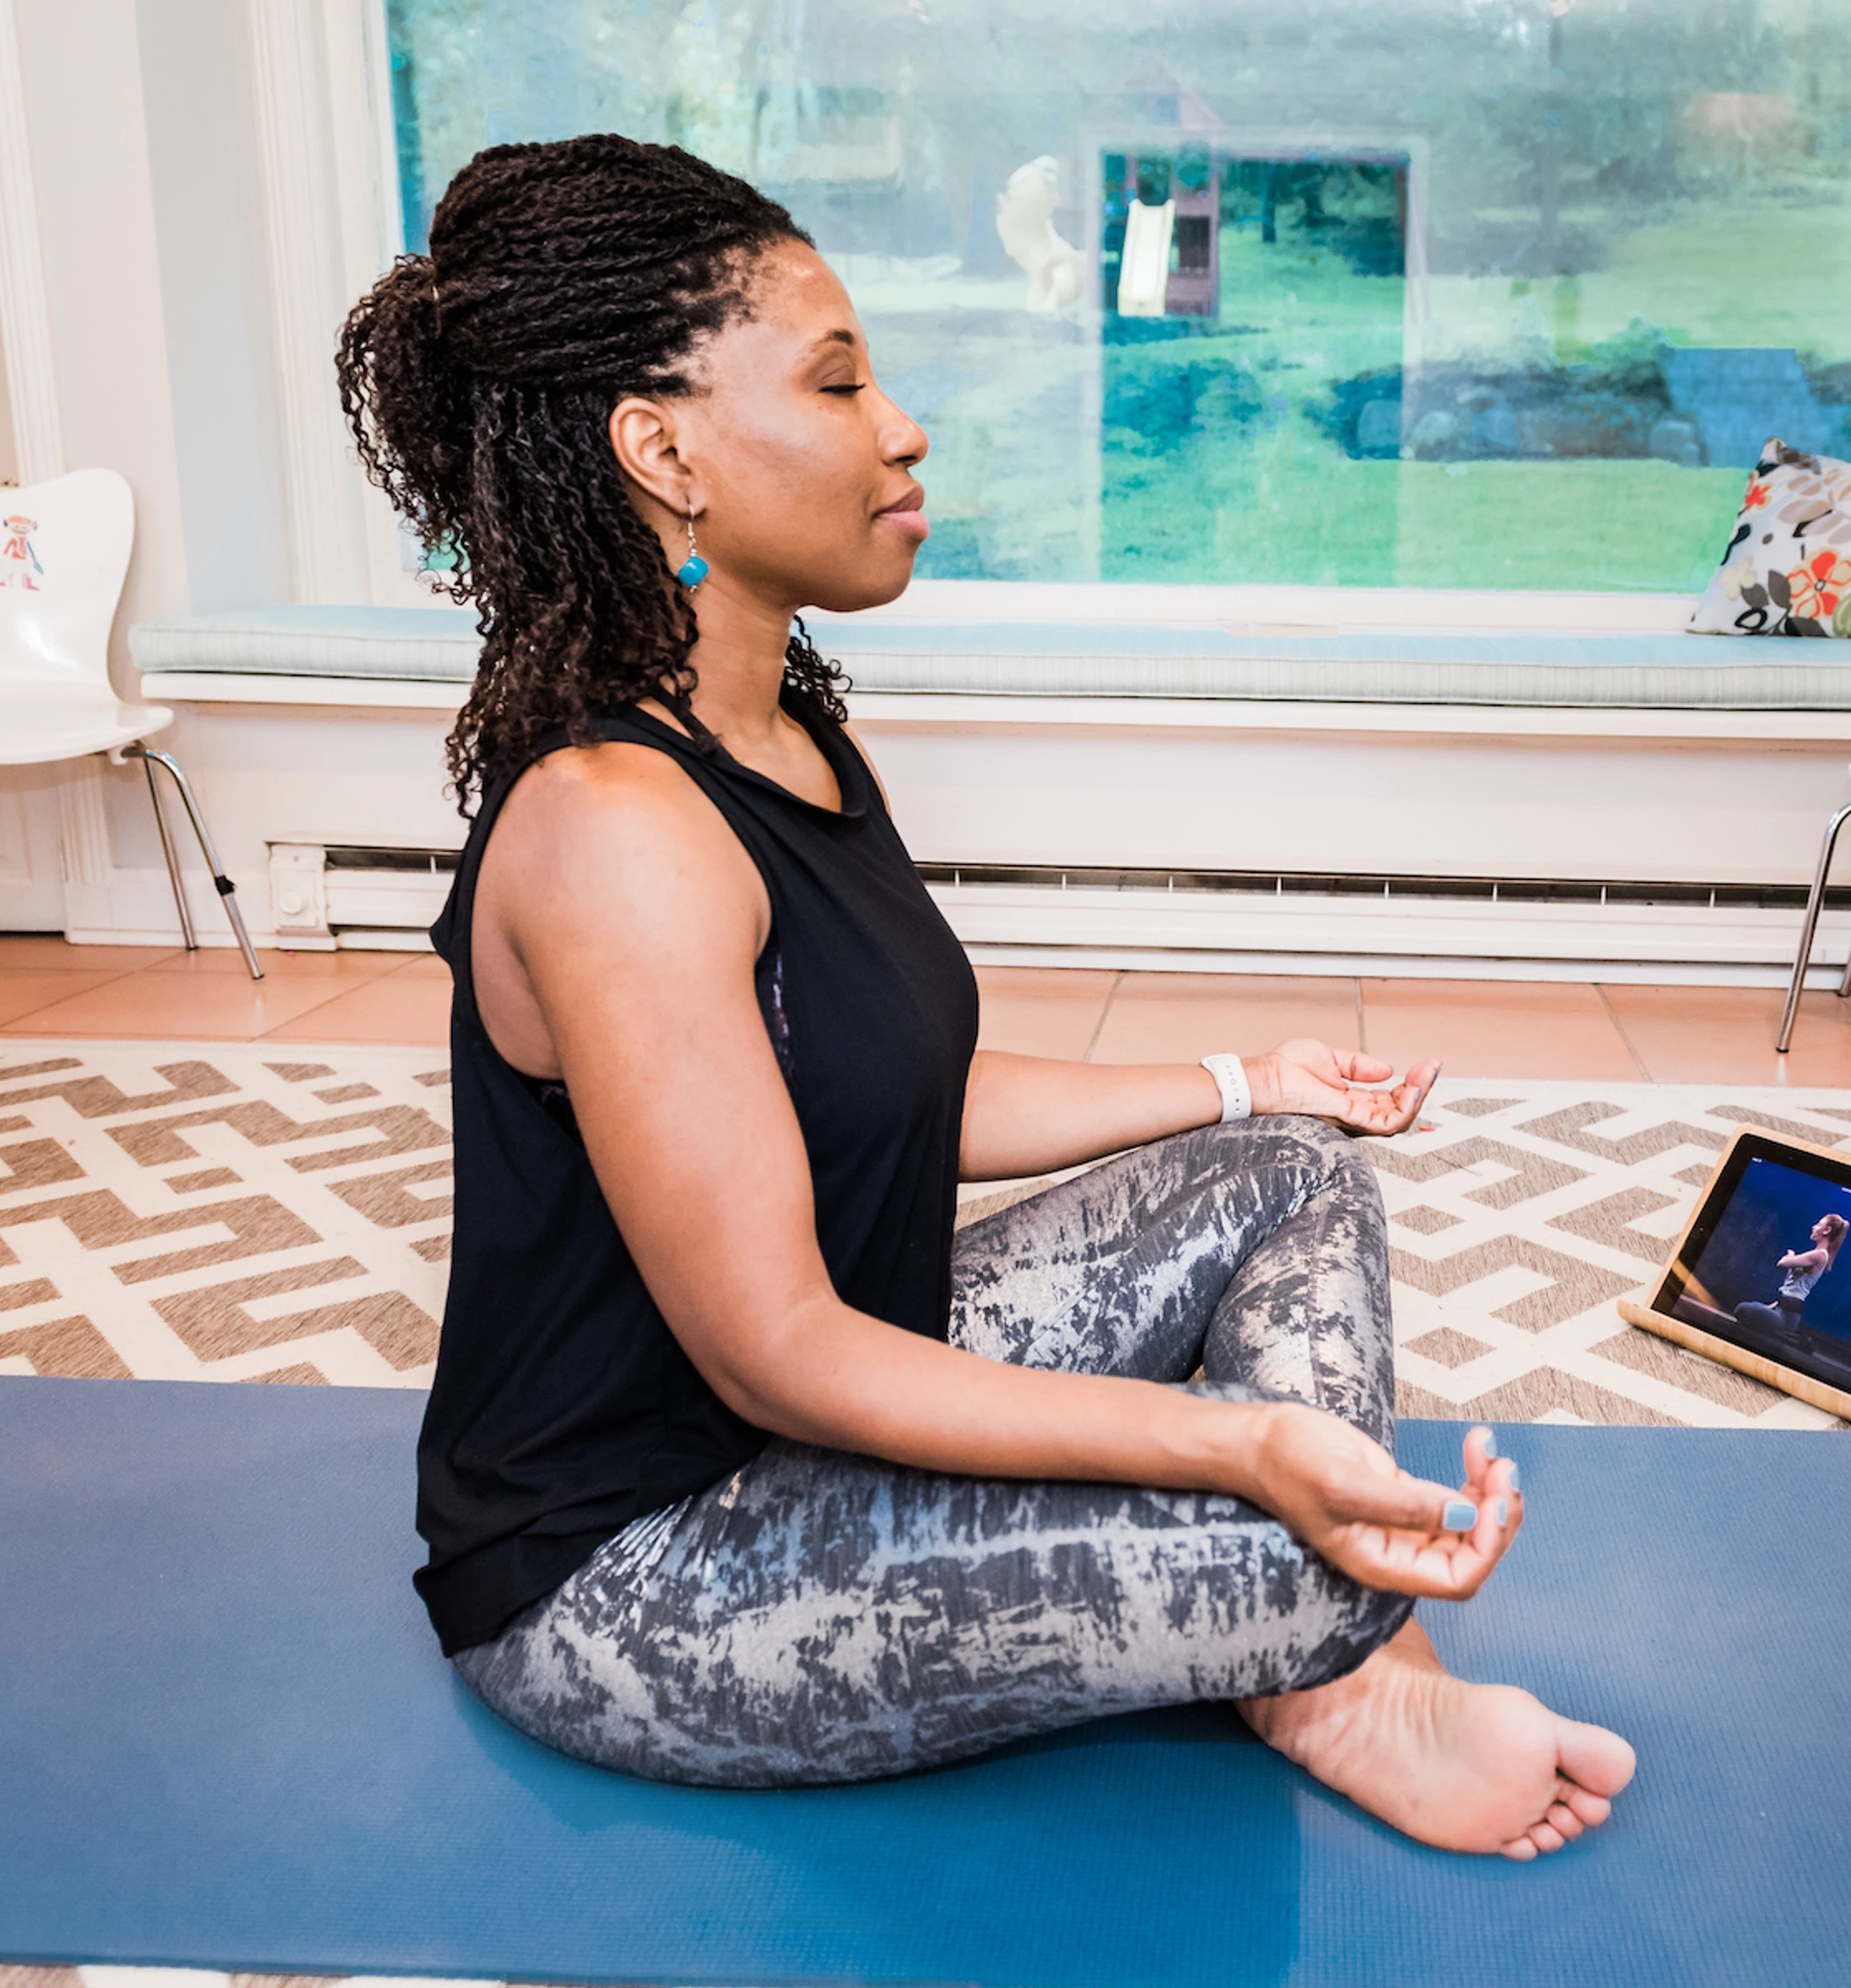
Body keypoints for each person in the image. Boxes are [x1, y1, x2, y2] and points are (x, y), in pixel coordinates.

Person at [336, 134, 1634, 1860]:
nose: (904, 425)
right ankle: (1344, 1665)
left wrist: (1248, 1078)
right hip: (638, 1568)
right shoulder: (611, 829)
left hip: (825, 1422)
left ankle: (1334, 1669)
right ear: (663, 449)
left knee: (1300, 1174)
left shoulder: (792, 733)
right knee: (1296, 1536)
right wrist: (1237, 1444)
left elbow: (898, 1094)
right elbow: (781, 1350)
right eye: (840, 378)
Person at [1734, 1213, 1846, 1337]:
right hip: (1783, 1308)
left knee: (1742, 1309)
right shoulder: (1818, 1254)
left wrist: (1791, 1255)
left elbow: (1782, 1263)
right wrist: (1768, 1308)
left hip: (1787, 1316)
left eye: (1819, 1225)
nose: (1814, 1227)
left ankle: (1785, 1333)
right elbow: (1789, 1292)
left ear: (1827, 1230)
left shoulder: (1819, 1255)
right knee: (1752, 1308)